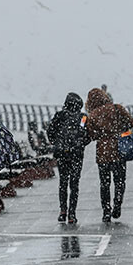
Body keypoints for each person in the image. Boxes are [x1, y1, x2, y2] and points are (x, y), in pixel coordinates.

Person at [85, 87, 133, 223]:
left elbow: (92, 135)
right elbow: (131, 122)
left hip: (103, 153)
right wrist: (119, 129)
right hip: (119, 150)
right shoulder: (117, 108)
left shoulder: (93, 115)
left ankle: (106, 211)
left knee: (104, 183)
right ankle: (117, 205)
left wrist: (102, 135)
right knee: (120, 181)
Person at [46, 93, 88, 224]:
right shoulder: (83, 118)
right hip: (76, 154)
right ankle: (72, 214)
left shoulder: (59, 116)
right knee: (74, 184)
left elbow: (50, 132)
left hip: (62, 154)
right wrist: (80, 144)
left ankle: (62, 210)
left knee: (63, 182)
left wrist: (57, 143)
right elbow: (87, 134)